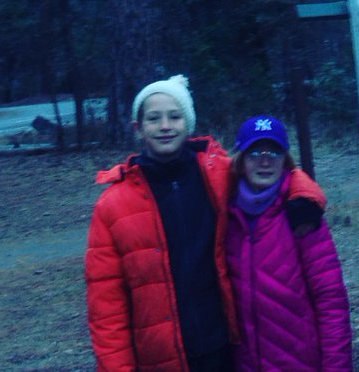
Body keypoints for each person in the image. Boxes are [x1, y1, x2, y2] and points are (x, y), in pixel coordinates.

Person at [84, 75, 325, 372]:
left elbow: (276, 173)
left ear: (188, 123)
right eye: (153, 118)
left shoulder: (219, 175)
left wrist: (304, 195)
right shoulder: (113, 204)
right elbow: (106, 306)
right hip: (160, 358)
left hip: (223, 348)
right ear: (138, 128)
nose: (164, 126)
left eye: (174, 116)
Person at [226, 114, 352, 372]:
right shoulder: (224, 214)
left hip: (298, 361)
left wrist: (336, 366)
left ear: (285, 159)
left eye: (274, 152)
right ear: (239, 160)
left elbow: (330, 300)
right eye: (254, 152)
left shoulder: (301, 212)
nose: (264, 161)